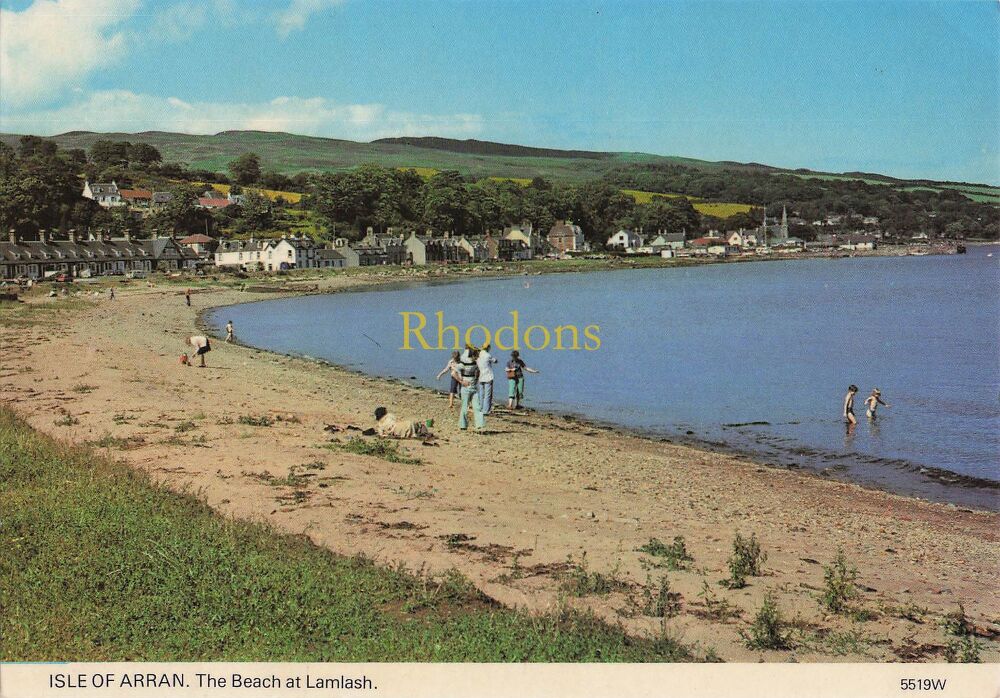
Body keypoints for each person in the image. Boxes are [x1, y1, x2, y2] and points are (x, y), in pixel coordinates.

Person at [452, 348, 485, 431]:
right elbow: (453, 373)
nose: (478, 357)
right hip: (465, 388)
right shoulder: (464, 363)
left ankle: (479, 426)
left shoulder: (476, 362)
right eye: (477, 355)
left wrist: (477, 378)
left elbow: (479, 371)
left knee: (477, 407)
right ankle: (463, 426)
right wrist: (461, 381)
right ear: (473, 355)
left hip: (474, 388)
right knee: (464, 407)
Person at [476, 342, 498, 415]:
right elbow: (495, 361)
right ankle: (485, 410)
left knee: (481, 393)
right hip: (488, 376)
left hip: (481, 376)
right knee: (487, 395)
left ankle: (480, 408)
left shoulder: (478, 355)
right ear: (488, 348)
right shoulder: (488, 355)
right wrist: (495, 359)